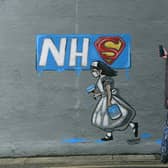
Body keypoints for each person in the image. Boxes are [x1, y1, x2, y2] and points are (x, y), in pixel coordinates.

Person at [89, 61, 138, 141]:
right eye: (92, 71)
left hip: (109, 100)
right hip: (104, 99)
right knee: (107, 120)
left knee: (113, 118)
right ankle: (110, 134)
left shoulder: (106, 79)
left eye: (94, 71)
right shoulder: (100, 80)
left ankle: (131, 125)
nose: (93, 73)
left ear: (100, 71)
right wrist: (97, 94)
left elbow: (108, 91)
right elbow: (103, 92)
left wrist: (108, 102)